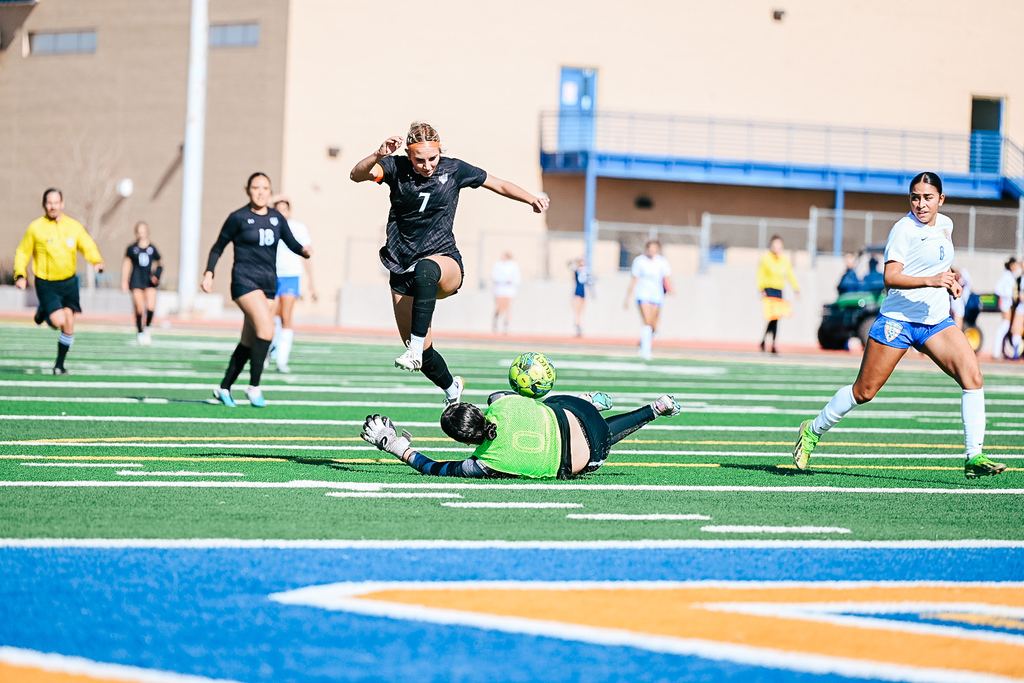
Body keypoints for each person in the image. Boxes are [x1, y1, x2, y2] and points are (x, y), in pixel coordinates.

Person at [793, 172, 1005, 480]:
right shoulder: (903, 230)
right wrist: (931, 280)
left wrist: (949, 282)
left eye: (927, 197)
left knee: (973, 376)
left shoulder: (946, 225)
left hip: (935, 322)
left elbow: (937, 262)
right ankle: (812, 431)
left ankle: (974, 456)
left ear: (941, 200)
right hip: (898, 321)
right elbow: (891, 278)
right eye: (915, 197)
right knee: (864, 391)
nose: (920, 203)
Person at [349, 122, 549, 404]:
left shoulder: (454, 169)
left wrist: (532, 199)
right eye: (420, 160)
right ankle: (451, 387)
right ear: (409, 154)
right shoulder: (394, 168)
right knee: (426, 357)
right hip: (400, 265)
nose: (427, 165)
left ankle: (415, 348)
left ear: (441, 152)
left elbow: (498, 183)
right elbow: (356, 175)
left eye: (433, 158)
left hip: (444, 262)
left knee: (425, 270)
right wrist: (377, 154)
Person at [361, 390, 682, 479]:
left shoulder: (482, 464)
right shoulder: (501, 403)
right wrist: (455, 401)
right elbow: (501, 395)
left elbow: (435, 467)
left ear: (463, 441)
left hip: (589, 452)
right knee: (549, 406)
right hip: (572, 409)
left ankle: (654, 409)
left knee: (597, 440)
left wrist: (394, 446)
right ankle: (588, 400)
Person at [202, 172, 311, 408]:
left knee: (249, 340)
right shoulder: (238, 217)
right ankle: (254, 387)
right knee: (267, 330)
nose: (260, 192)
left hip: (269, 284)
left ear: (270, 192)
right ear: (247, 190)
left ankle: (224, 387)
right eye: (256, 188)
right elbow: (217, 247)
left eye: (265, 188)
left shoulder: (276, 218)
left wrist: (303, 251)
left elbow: (291, 242)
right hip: (244, 282)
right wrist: (209, 272)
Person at [14, 188, 104, 375]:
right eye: (49, 203)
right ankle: (44, 311)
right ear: (44, 204)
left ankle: (59, 365)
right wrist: (20, 274)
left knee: (69, 323)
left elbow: (87, 244)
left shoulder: (73, 226)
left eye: (56, 202)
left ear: (62, 204)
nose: (52, 206)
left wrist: (96, 260)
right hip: (47, 283)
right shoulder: (36, 228)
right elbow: (23, 252)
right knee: (58, 321)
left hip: (69, 283)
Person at [268, 197, 316, 373]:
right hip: (271, 275)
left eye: (284, 209)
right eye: (278, 209)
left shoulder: (298, 227)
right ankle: (266, 351)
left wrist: (311, 283)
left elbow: (306, 254)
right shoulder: (268, 225)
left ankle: (282, 360)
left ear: (289, 211)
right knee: (269, 316)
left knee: (286, 317)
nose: (282, 213)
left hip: (290, 276)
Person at [624, 240, 672, 360]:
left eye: (654, 248)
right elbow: (634, 279)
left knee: (653, 324)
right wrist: (627, 298)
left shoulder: (662, 262)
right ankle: (646, 350)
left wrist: (671, 289)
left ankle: (643, 343)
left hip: (657, 295)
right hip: (643, 294)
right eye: (650, 248)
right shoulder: (640, 261)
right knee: (647, 320)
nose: (652, 251)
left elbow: (666, 278)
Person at [756, 235, 800, 354]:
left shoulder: (784, 260)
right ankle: (770, 343)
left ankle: (767, 342)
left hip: (778, 291)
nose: (777, 248)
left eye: (779, 245)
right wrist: (761, 290)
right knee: (772, 317)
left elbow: (790, 274)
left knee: (776, 319)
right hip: (769, 290)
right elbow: (761, 274)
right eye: (775, 245)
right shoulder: (766, 259)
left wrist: (796, 289)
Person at [120, 221, 162, 346]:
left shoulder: (152, 248)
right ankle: (140, 332)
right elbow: (126, 264)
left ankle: (147, 327)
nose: (141, 233)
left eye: (143, 231)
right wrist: (124, 281)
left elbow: (160, 263)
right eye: (139, 231)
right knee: (139, 309)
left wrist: (156, 276)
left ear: (147, 232)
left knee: (150, 307)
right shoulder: (132, 248)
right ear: (136, 233)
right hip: (136, 281)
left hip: (149, 282)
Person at [993, 257, 1022, 360]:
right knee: (1004, 327)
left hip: (1009, 304)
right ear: (1011, 265)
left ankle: (1002, 351)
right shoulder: (1007, 276)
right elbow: (998, 289)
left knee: (1006, 328)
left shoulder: (1010, 275)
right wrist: (1007, 296)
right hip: (1006, 304)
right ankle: (996, 352)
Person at [491, 252, 520, 334]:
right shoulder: (498, 265)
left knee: (507, 308)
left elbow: (517, 277)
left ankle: (506, 325)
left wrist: (511, 281)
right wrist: (501, 280)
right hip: (499, 289)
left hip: (509, 290)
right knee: (499, 307)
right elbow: (494, 276)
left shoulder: (513, 265)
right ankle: (495, 321)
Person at [570, 257, 593, 337]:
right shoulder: (577, 271)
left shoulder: (585, 272)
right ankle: (577, 328)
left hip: (583, 294)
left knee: (581, 312)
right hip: (577, 293)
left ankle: (579, 328)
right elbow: (570, 267)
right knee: (577, 312)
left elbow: (590, 282)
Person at [949, 265, 972, 330]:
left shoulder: (963, 280)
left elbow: (965, 279)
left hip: (959, 308)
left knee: (957, 327)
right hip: (952, 309)